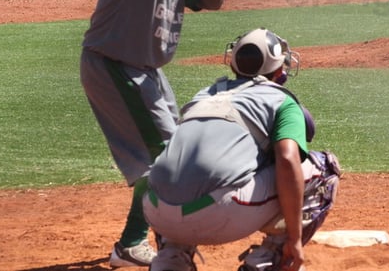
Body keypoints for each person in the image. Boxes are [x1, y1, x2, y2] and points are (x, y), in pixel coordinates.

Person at [80, 0, 224, 268]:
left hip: (145, 69)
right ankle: (134, 243)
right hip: (115, 64)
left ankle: (152, 234)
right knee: (161, 156)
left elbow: (212, 1)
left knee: (170, 149)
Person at [143, 28, 341, 271]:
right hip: (219, 213)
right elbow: (288, 160)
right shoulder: (281, 100)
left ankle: (170, 260)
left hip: (156, 209)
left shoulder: (204, 95)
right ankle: (269, 259)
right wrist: (295, 238)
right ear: (280, 70)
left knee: (187, 171)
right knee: (324, 170)